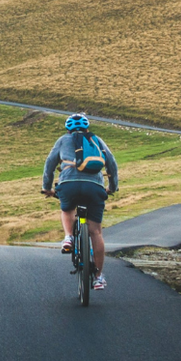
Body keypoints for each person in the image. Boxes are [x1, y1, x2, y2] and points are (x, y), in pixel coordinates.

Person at [40, 113, 119, 289]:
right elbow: (111, 164)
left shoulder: (62, 140)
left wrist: (47, 188)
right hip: (95, 187)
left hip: (69, 184)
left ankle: (68, 237)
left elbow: (50, 164)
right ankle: (98, 277)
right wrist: (112, 188)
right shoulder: (97, 140)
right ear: (87, 128)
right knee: (96, 232)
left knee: (67, 209)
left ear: (68, 129)